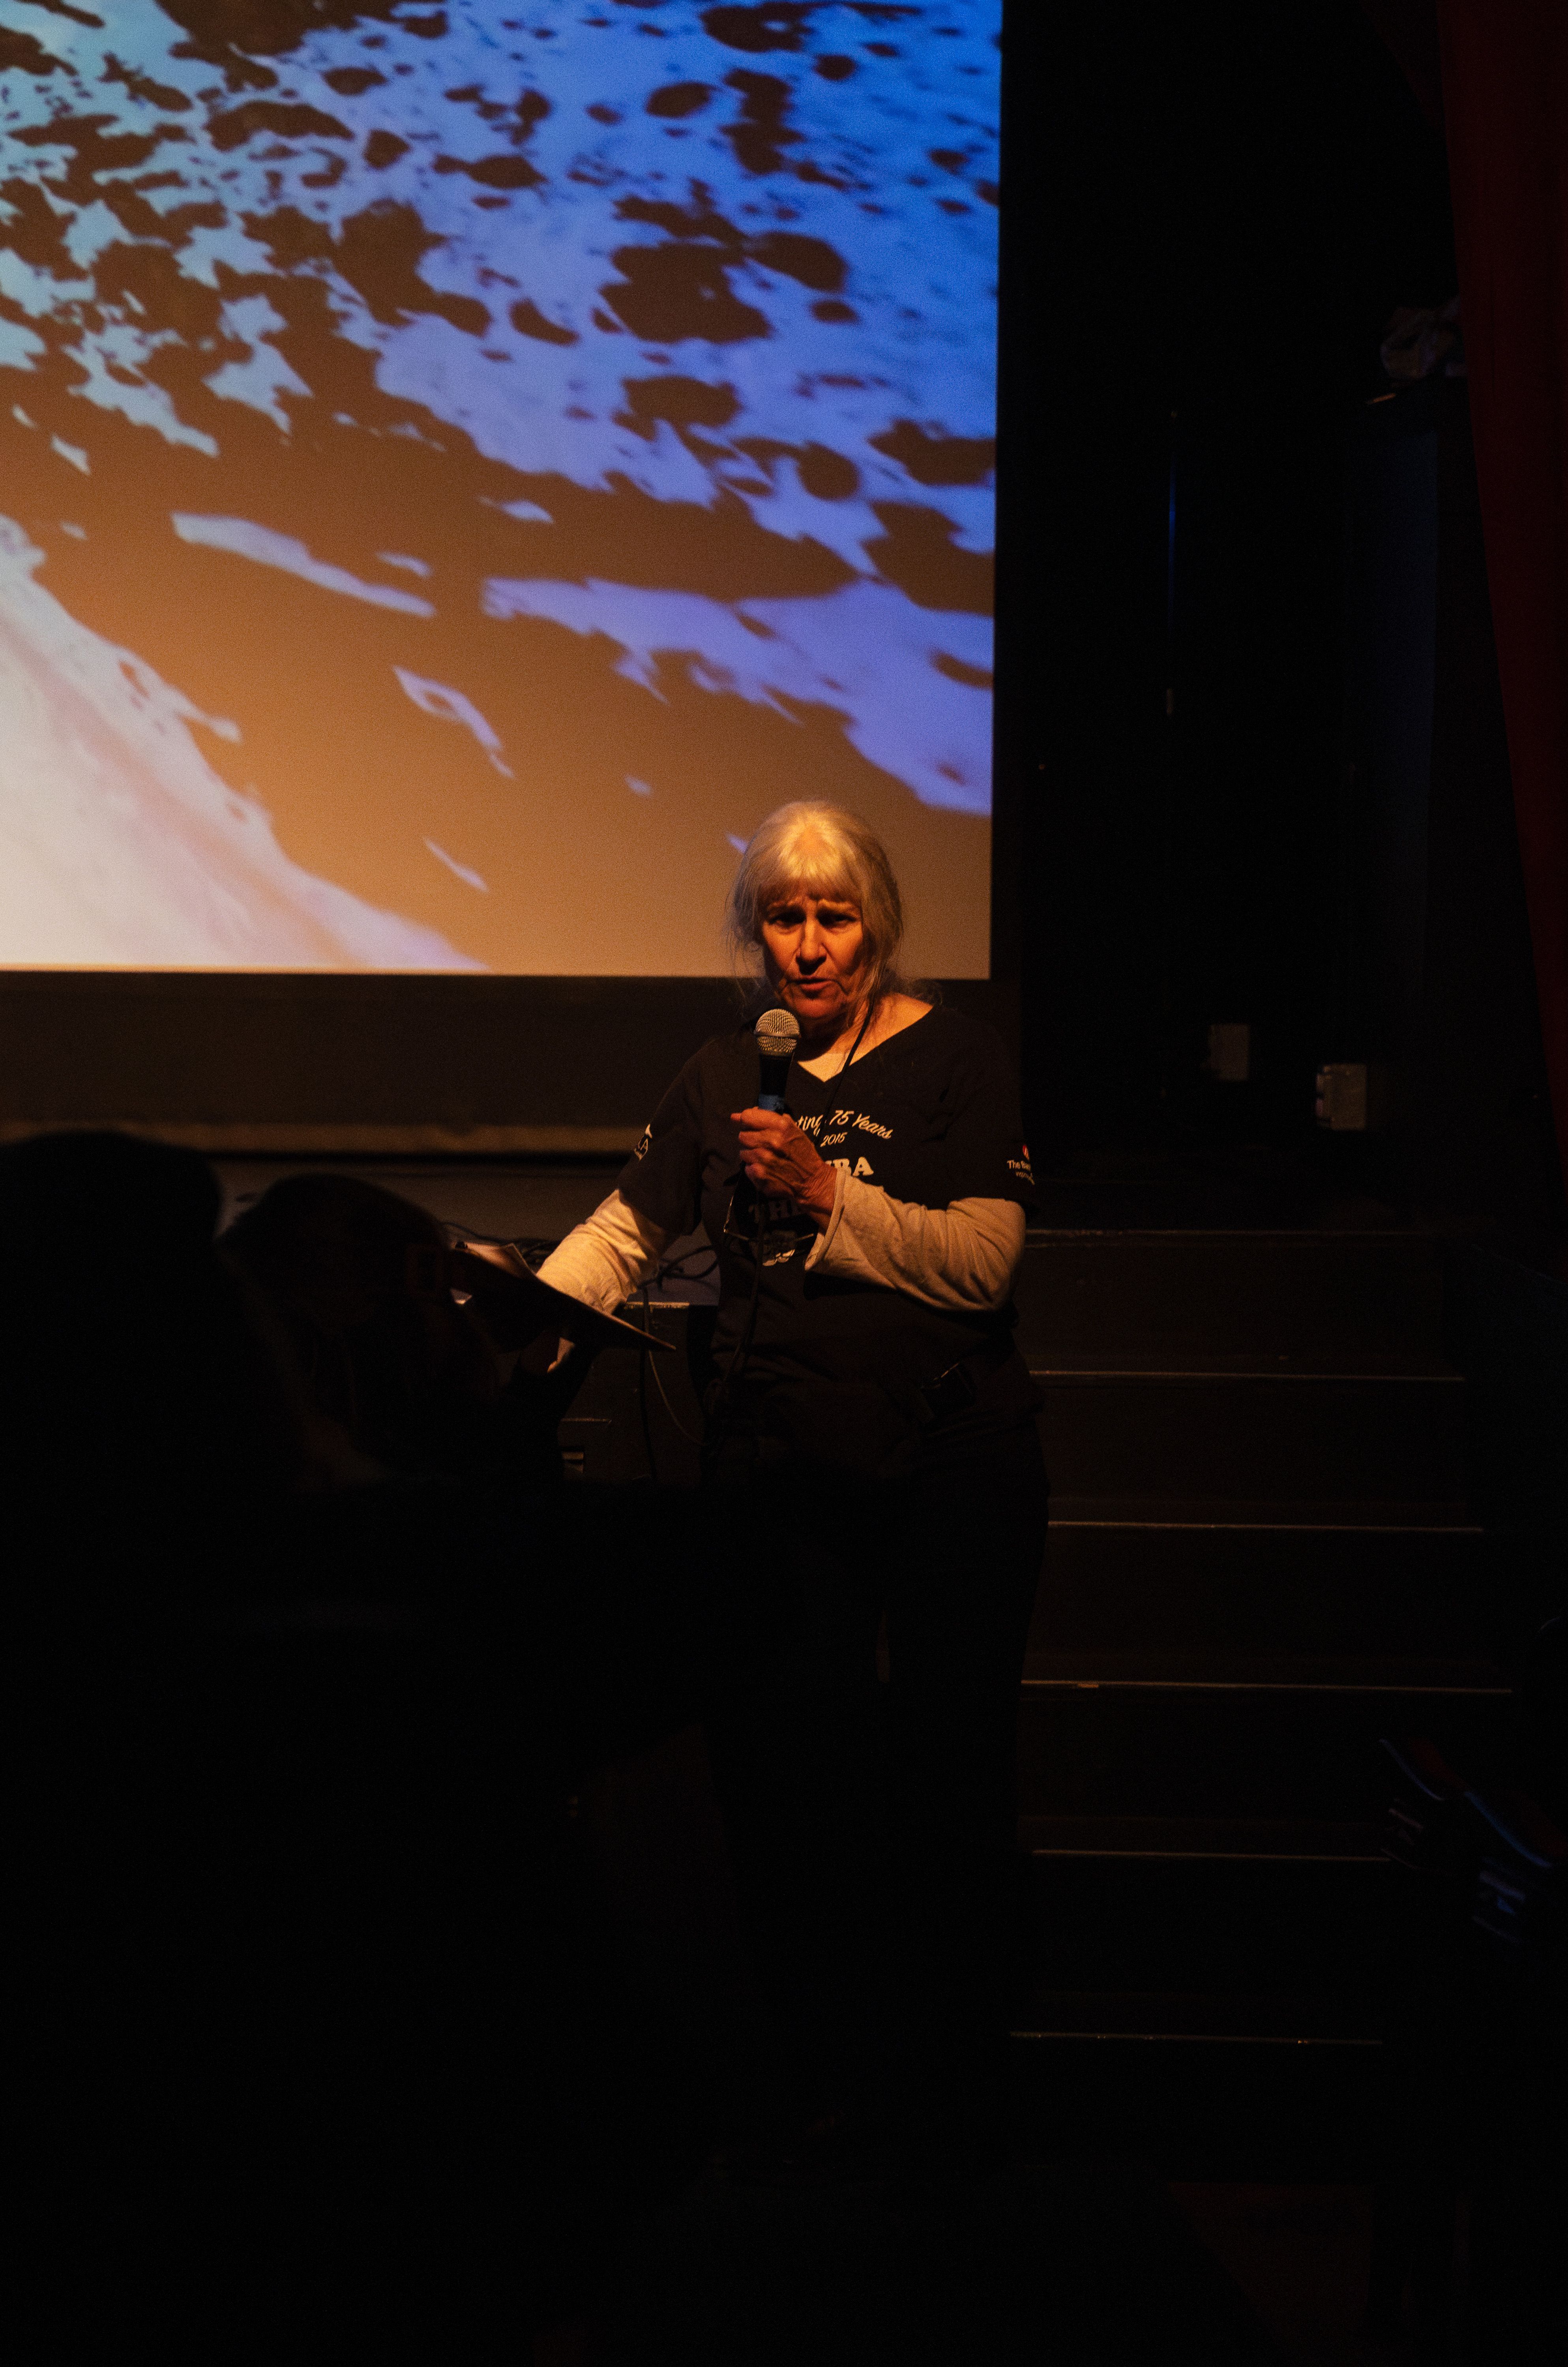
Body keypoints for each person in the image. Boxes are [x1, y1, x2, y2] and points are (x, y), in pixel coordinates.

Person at [537, 801, 1048, 2172]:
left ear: (876, 926)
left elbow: (986, 1264)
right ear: (754, 932)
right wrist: (525, 1310)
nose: (808, 947)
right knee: (791, 1782)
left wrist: (831, 1197)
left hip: (952, 1469)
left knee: (944, 1778)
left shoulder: (959, 1060)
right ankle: (816, 2078)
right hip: (779, 1468)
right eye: (783, 917)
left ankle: (948, 2094)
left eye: (833, 918)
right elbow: (634, 1226)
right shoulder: (725, 1070)